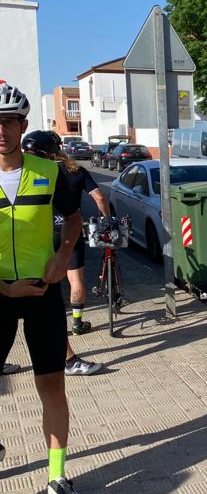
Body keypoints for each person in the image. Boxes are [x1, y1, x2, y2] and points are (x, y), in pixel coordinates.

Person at [0, 81, 86, 494]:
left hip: (42, 292)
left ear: (23, 125)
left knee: (52, 384)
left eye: (9, 122)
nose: (1, 131)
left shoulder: (50, 172)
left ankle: (57, 475)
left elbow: (73, 220)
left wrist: (63, 257)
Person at [21, 131, 104, 376]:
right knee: (71, 283)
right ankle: (76, 326)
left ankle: (68, 359)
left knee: (43, 310)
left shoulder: (26, 174)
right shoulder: (71, 171)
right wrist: (105, 219)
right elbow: (97, 198)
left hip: (37, 242)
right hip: (57, 239)